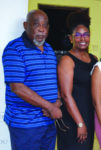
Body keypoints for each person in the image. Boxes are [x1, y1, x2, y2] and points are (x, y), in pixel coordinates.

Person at [2, 10, 62, 150]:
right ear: (25, 25)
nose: (41, 29)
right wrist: (50, 106)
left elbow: (53, 80)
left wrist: (58, 102)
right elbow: (17, 87)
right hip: (25, 124)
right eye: (36, 25)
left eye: (45, 25)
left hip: (48, 121)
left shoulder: (48, 49)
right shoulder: (14, 49)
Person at [56, 12, 97, 150]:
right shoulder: (67, 60)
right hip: (72, 119)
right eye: (78, 35)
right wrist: (80, 123)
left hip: (89, 116)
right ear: (71, 38)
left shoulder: (94, 59)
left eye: (86, 34)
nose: (82, 38)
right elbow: (66, 96)